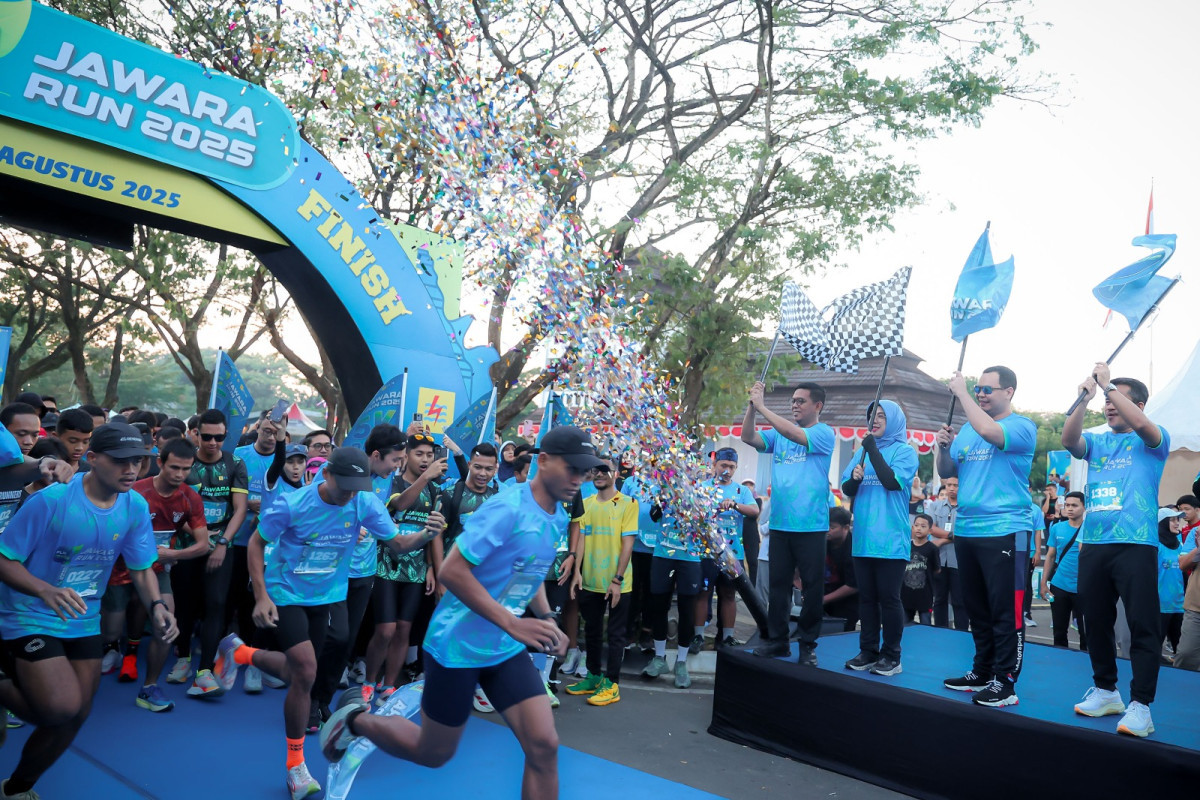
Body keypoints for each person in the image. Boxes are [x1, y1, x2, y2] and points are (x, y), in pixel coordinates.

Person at [319, 426, 604, 800]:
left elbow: (528, 570)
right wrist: (512, 622)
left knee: (544, 746)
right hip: (457, 647)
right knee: (433, 753)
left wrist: (546, 619)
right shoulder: (506, 508)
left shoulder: (554, 515)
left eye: (586, 472)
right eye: (573, 469)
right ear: (544, 461)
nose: (579, 479)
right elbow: (453, 571)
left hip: (502, 647)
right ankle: (355, 720)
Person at [211, 447, 445, 800]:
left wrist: (426, 536)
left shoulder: (364, 502)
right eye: (345, 485)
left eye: (357, 486)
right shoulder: (293, 505)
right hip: (285, 593)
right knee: (305, 671)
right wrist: (260, 595)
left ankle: (239, 652)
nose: (350, 493)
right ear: (327, 475)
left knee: (299, 671)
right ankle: (296, 766)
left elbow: (397, 544)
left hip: (327, 596)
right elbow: (257, 544)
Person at [0, 422, 178, 798]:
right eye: (121, 461)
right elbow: (4, 559)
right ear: (93, 459)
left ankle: (16, 788)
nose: (132, 470)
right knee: (59, 708)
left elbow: (141, 566)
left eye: (139, 462)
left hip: (82, 617)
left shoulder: (134, 505)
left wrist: (158, 605)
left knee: (78, 714)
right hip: (30, 611)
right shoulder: (52, 500)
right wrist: (44, 589)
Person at [1062, 364, 1168, 737]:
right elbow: (1068, 440)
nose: (1107, 405)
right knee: (1095, 622)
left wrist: (1108, 385)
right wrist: (1084, 399)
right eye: (1105, 401)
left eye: (1114, 399)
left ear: (1136, 403)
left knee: (1142, 625)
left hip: (1135, 545)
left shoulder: (1152, 440)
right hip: (1095, 545)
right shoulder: (1099, 442)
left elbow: (1144, 426)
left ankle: (1142, 705)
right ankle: (1107, 690)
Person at [937, 366, 1035, 708]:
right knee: (975, 607)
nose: (980, 393)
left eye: (987, 389)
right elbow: (949, 472)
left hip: (1006, 529)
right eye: (977, 388)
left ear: (1008, 392)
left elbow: (990, 432)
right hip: (967, 530)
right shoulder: (967, 430)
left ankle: (1006, 682)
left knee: (1006, 610)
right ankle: (982, 671)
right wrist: (942, 448)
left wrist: (961, 393)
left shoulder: (1020, 426)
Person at [310, 426, 404, 726]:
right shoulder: (332, 471)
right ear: (376, 455)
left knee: (346, 641)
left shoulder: (385, 482)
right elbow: (315, 510)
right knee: (328, 638)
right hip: (330, 572)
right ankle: (309, 698)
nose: (397, 466)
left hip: (364, 572)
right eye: (395, 460)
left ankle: (323, 702)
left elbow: (387, 526)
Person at [741, 381, 835, 666]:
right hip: (781, 525)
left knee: (811, 588)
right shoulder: (778, 434)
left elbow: (792, 433)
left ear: (817, 405)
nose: (794, 405)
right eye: (793, 401)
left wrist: (763, 406)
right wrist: (752, 408)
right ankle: (778, 641)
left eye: (801, 401)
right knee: (778, 588)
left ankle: (807, 644)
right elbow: (748, 437)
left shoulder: (823, 433)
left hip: (811, 526)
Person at [124, 437, 212, 711]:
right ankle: (124, 650)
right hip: (118, 568)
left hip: (158, 569)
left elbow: (203, 544)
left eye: (186, 469)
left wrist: (171, 555)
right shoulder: (134, 492)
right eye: (174, 467)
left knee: (165, 625)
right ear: (160, 463)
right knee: (108, 629)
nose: (179, 475)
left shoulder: (189, 497)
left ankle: (149, 688)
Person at [170, 409, 248, 696]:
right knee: (185, 603)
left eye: (219, 437)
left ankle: (204, 671)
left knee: (216, 603)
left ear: (226, 435)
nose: (213, 442)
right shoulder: (186, 463)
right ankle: (182, 657)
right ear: (196, 434)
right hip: (188, 542)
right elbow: (177, 506)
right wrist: (200, 537)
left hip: (222, 543)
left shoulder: (235, 463)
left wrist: (223, 543)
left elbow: (239, 509)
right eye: (207, 436)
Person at [365, 432, 445, 705]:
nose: (425, 460)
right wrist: (426, 477)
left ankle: (389, 686)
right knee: (385, 629)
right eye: (419, 454)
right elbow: (399, 505)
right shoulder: (391, 481)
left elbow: (435, 532)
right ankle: (368, 680)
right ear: (406, 456)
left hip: (416, 571)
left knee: (403, 629)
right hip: (386, 565)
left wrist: (434, 568)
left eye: (430, 455)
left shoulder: (437, 490)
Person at [840, 401, 918, 676]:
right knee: (867, 599)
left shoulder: (905, 452)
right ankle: (868, 651)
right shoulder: (861, 451)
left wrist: (872, 450)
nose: (874, 419)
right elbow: (847, 488)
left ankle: (892, 656)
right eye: (871, 415)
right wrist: (855, 479)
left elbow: (891, 481)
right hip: (863, 537)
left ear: (894, 420)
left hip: (890, 539)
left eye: (881, 416)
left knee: (889, 598)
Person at [565, 456, 636, 706]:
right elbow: (581, 538)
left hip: (618, 583)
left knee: (615, 635)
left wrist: (617, 579)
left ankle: (612, 684)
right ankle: (594, 676)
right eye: (595, 470)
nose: (599, 474)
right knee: (591, 631)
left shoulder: (628, 503)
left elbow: (628, 544)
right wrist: (576, 572)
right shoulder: (585, 503)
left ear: (616, 473)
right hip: (590, 581)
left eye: (605, 469)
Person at [231, 413, 286, 694]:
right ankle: (234, 652)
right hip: (235, 542)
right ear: (257, 430)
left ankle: (254, 659)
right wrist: (242, 503)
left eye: (274, 433)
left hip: (269, 549)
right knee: (237, 600)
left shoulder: (284, 463)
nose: (268, 436)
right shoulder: (238, 455)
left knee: (262, 602)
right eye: (265, 431)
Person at [693, 449, 757, 649]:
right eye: (723, 466)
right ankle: (698, 636)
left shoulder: (742, 491)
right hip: (706, 552)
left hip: (733, 554)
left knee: (729, 595)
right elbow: (693, 513)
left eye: (731, 467)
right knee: (704, 593)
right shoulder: (702, 488)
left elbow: (754, 511)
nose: (727, 470)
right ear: (714, 466)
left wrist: (735, 505)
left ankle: (728, 637)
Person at [1041, 491, 1088, 651]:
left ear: (1084, 506)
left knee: (1086, 633)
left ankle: (1086, 665)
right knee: (1059, 631)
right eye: (1067, 505)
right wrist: (1043, 584)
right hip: (1059, 586)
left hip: (1084, 589)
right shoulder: (1057, 528)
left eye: (1074, 505)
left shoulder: (1090, 529)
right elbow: (1050, 556)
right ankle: (1060, 663)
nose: (1069, 509)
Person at [927, 477, 967, 631]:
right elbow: (931, 528)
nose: (952, 488)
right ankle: (940, 632)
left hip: (959, 561)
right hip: (939, 561)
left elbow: (964, 533)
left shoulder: (965, 508)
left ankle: (962, 632)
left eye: (956, 485)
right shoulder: (935, 506)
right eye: (949, 485)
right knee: (939, 600)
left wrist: (941, 540)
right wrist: (951, 537)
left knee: (959, 601)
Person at [1156, 508, 1185, 664]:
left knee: (1182, 651)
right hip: (1159, 605)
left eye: (1177, 520)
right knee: (1154, 647)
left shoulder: (1180, 543)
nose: (1177, 523)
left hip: (1179, 604)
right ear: (1162, 523)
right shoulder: (1155, 545)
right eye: (1172, 520)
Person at [823, 507, 858, 629]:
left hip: (848, 604)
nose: (828, 530)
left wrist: (824, 599)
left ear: (846, 528)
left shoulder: (854, 549)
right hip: (825, 596)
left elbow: (853, 586)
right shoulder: (823, 542)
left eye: (832, 528)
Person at [902, 514, 940, 624]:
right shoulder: (906, 546)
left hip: (925, 595)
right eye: (917, 525)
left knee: (925, 624)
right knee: (904, 625)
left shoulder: (932, 549)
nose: (919, 528)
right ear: (912, 527)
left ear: (930, 530)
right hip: (906, 594)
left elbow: (937, 569)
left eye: (923, 526)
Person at [51, 409, 94, 474]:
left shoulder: (91, 472)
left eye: (85, 442)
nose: (80, 448)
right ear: (55, 437)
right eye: (73, 441)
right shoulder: (41, 468)